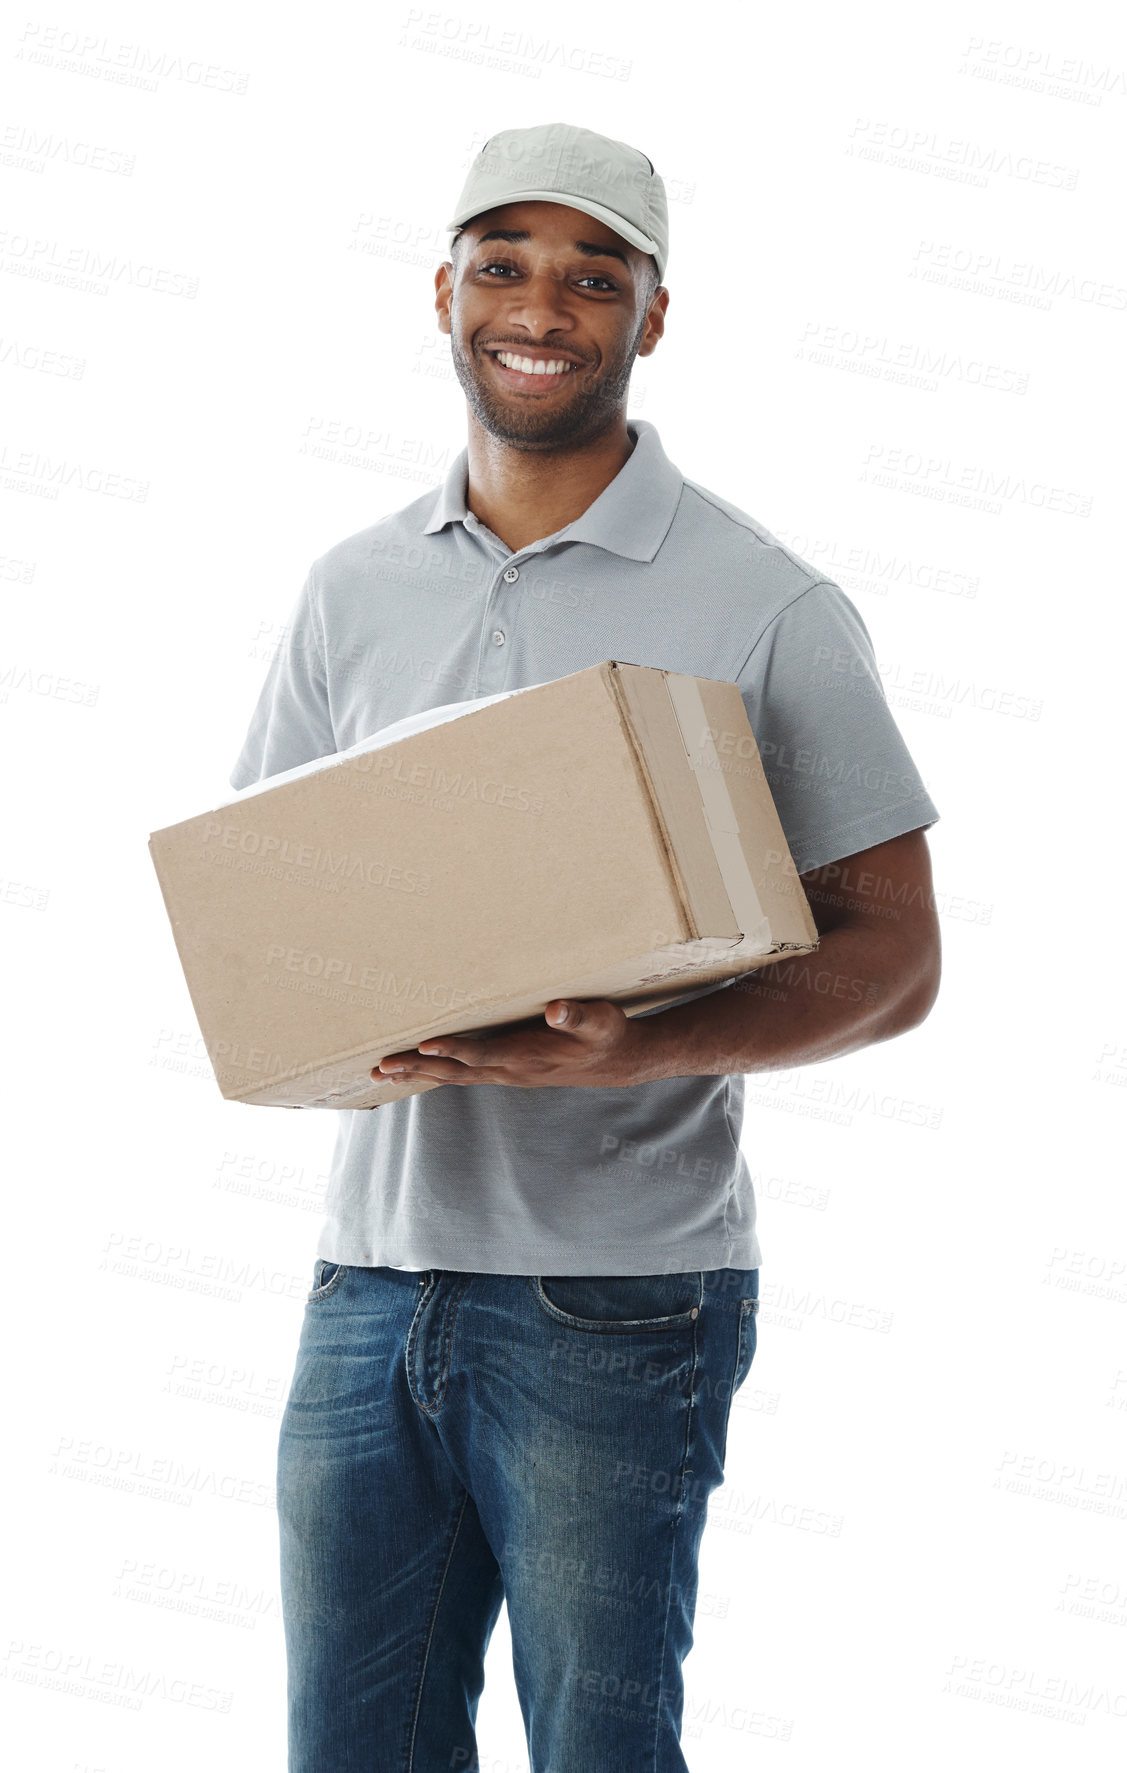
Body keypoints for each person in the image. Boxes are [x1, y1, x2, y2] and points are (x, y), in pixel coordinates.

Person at [229, 122, 942, 1773]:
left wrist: (643, 1038)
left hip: (612, 1297)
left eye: (591, 274)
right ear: (444, 293)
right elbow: (273, 901)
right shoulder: (351, 590)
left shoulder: (765, 603)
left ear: (651, 317)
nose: (540, 304)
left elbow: (899, 958)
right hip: (366, 1279)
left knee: (600, 1756)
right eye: (504, 264)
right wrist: (322, 1027)